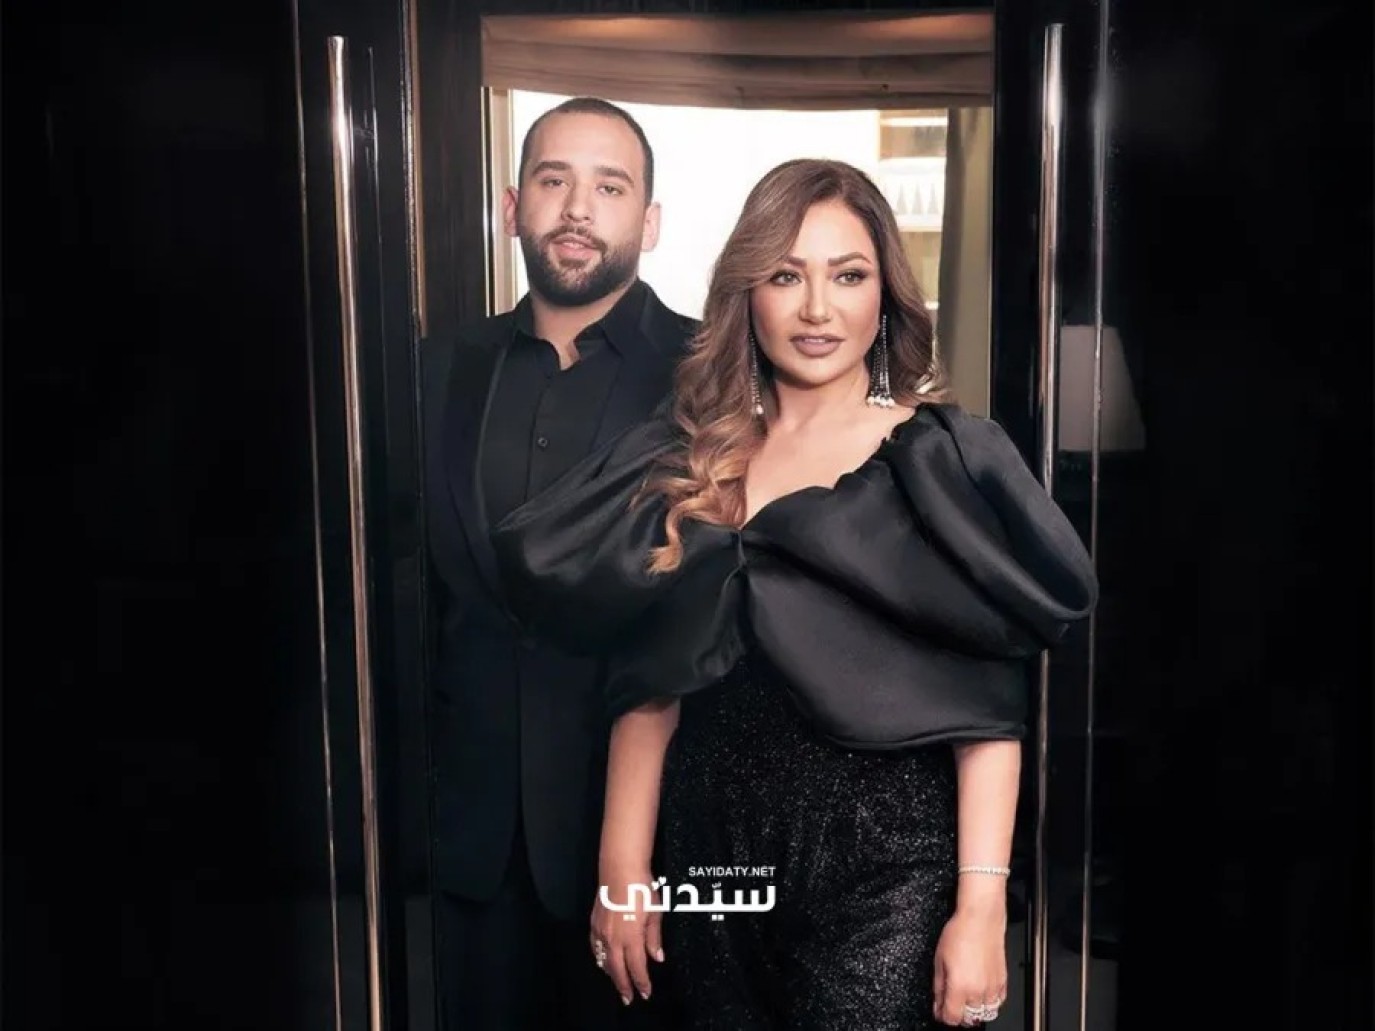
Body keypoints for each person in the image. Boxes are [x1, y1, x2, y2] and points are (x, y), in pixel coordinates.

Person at [491, 158, 1098, 1030]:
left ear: (885, 295)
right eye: (785, 276)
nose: (817, 309)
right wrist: (622, 873)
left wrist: (979, 907)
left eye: (847, 276)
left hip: (888, 858)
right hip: (711, 851)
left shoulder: (940, 459)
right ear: (747, 295)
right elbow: (648, 687)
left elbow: (987, 713)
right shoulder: (693, 459)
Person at [422, 97, 695, 1030]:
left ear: (648, 223)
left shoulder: (709, 373)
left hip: (651, 850)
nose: (577, 207)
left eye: (609, 187)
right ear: (512, 208)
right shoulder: (435, 370)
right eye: (553, 180)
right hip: (467, 843)